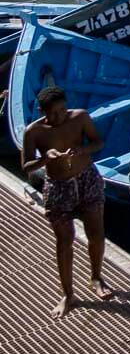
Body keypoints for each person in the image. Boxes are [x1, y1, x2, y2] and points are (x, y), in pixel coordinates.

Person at [20, 85, 112, 316]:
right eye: (53, 113)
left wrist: (82, 149)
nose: (59, 116)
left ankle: (96, 277)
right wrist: (44, 159)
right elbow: (26, 166)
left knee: (96, 233)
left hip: (87, 179)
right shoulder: (34, 132)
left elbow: (98, 142)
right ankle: (68, 295)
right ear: (42, 110)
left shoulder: (79, 117)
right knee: (64, 241)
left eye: (63, 110)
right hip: (58, 187)